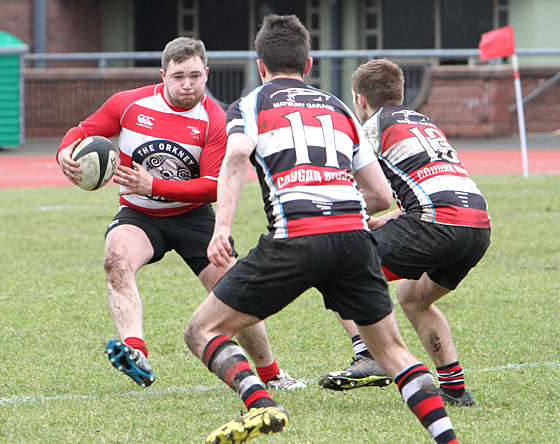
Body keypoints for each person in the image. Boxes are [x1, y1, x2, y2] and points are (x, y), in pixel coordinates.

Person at [184, 15, 461, 444]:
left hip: (297, 234)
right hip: (355, 238)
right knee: (393, 352)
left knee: (201, 330)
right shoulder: (340, 107)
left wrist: (221, 228)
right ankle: (449, 439)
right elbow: (382, 196)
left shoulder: (251, 103)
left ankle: (261, 405)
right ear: (309, 64)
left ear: (261, 66)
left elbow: (237, 156)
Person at [56, 37, 305, 391]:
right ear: (163, 76)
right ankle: (135, 350)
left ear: (207, 73)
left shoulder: (216, 119)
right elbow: (83, 132)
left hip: (194, 217)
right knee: (116, 261)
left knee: (234, 292)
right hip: (139, 214)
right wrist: (65, 152)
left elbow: (211, 186)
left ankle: (271, 374)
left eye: (194, 76)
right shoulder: (128, 104)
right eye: (178, 77)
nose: (187, 84)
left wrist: (153, 185)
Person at [319, 58, 491, 407]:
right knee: (414, 297)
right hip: (477, 225)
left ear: (360, 99)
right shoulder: (423, 122)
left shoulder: (371, 127)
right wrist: (400, 215)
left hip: (438, 223)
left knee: (337, 267)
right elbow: (434, 181)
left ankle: (368, 355)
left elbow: (356, 190)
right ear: (400, 92)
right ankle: (455, 390)